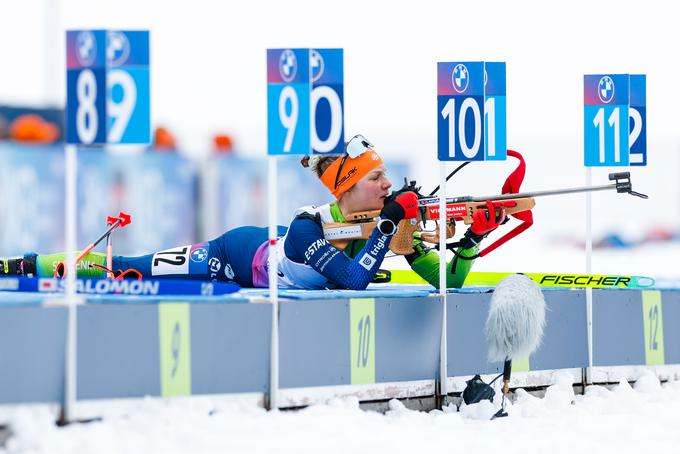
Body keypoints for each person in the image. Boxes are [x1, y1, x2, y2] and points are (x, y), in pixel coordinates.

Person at [0, 134, 504, 289]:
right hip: (237, 254)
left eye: (387, 177)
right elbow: (352, 278)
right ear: (347, 189)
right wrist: (390, 227)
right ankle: (22, 264)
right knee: (124, 269)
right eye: (376, 178)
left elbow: (449, 283)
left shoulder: (381, 224)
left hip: (271, 256)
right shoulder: (311, 225)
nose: (388, 184)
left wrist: (470, 243)